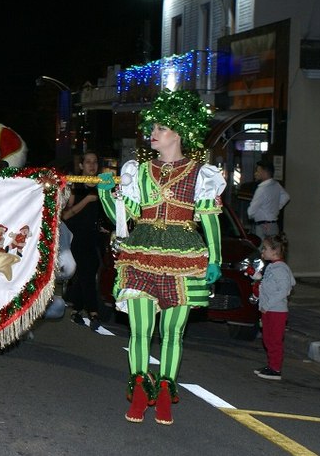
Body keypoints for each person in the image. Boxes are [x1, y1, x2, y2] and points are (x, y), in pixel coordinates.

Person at [96, 89, 224, 425]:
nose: (153, 132)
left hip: (184, 256)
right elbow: (125, 215)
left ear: (179, 132)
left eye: (161, 128)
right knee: (140, 331)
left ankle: (165, 390)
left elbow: (209, 217)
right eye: (153, 127)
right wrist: (107, 194)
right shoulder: (138, 171)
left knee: (173, 332)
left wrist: (216, 260)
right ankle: (139, 388)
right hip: (140, 252)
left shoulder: (201, 173)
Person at [62, 151, 108, 331]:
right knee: (87, 271)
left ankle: (75, 308)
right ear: (81, 165)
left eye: (95, 162)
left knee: (89, 269)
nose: (92, 165)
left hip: (95, 235)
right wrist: (87, 200)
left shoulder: (101, 185)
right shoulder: (75, 185)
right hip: (76, 235)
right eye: (88, 162)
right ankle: (93, 312)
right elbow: (66, 214)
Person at [253, 234, 295, 380]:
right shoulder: (272, 267)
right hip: (268, 309)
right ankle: (271, 365)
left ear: (275, 251)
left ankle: (275, 369)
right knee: (268, 339)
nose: (262, 251)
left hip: (276, 310)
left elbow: (285, 289)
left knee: (274, 340)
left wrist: (268, 304)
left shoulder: (281, 269)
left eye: (265, 248)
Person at [247, 160, 289, 239]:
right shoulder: (276, 184)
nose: (256, 173)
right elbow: (286, 197)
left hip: (262, 226)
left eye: (258, 171)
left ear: (264, 172)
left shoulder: (261, 189)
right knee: (274, 247)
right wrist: (277, 207)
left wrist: (252, 216)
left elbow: (251, 211)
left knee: (263, 249)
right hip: (273, 224)